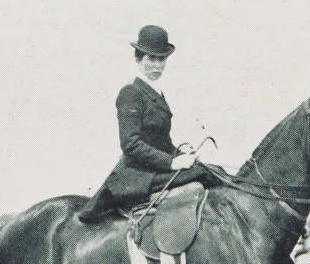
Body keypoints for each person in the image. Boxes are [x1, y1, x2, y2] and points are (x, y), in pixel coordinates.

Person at [78, 25, 213, 223]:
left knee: (211, 171)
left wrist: (182, 155)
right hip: (137, 175)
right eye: (151, 59)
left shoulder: (156, 94)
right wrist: (172, 163)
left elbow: (160, 142)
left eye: (162, 60)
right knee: (205, 174)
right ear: (138, 59)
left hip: (154, 170)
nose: (157, 66)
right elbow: (131, 144)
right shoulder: (131, 93)